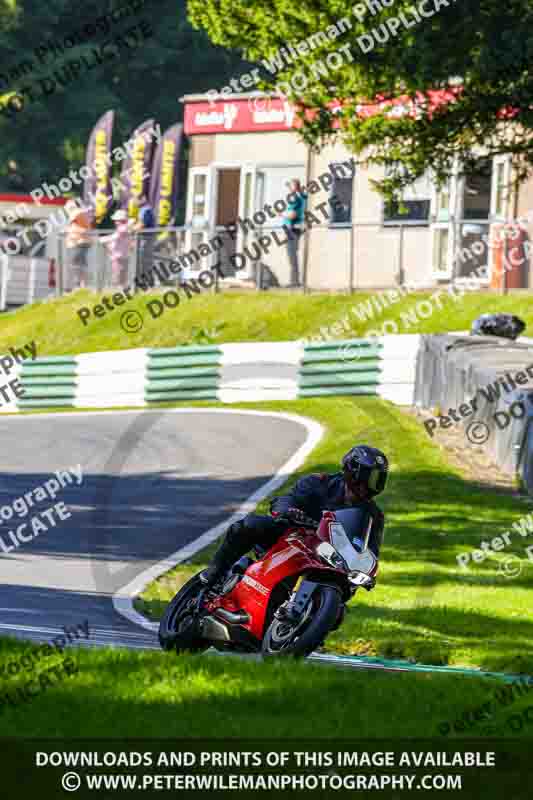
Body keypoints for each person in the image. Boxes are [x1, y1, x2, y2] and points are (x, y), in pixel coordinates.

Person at [200, 445, 388, 587]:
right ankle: (213, 574)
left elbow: (369, 552)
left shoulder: (373, 516)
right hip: (292, 536)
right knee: (249, 524)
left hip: (330, 560)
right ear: (352, 471)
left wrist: (367, 570)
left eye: (378, 479)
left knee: (340, 608)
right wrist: (287, 511)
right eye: (369, 477)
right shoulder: (319, 483)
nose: (371, 485)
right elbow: (287, 499)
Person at [281, 178, 306, 288]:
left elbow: (292, 215)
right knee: (292, 255)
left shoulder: (296, 198)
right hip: (292, 229)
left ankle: (294, 282)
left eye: (290, 186)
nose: (289, 189)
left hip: (292, 230)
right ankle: (294, 281)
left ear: (295, 187)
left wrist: (280, 213)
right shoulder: (299, 197)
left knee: (292, 256)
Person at [64, 199, 92, 290]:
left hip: (79, 242)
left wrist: (69, 230)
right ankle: (81, 284)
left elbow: (81, 230)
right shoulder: (80, 215)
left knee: (76, 263)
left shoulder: (78, 213)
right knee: (79, 263)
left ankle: (78, 284)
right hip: (79, 242)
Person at [100, 209, 131, 286]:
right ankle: (120, 286)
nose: (115, 222)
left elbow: (115, 237)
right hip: (118, 255)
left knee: (118, 274)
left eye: (117, 220)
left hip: (120, 256)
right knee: (118, 273)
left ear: (122, 220)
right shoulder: (121, 229)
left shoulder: (123, 228)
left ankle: (118, 287)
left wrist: (102, 239)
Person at [132, 194, 156, 278]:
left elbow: (141, 225)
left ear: (143, 199)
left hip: (146, 239)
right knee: (143, 259)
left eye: (136, 200)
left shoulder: (146, 210)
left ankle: (146, 279)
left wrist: (130, 229)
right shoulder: (143, 210)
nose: (135, 202)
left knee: (144, 259)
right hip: (144, 238)